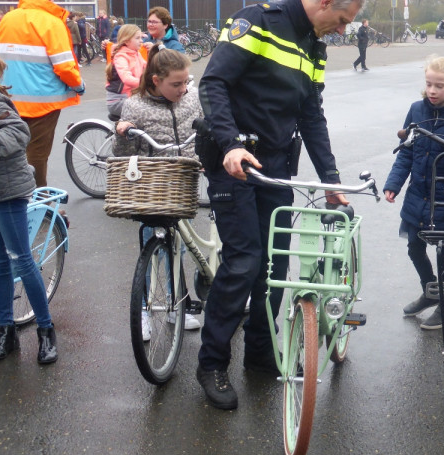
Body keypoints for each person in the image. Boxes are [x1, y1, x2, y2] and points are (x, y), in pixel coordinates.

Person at [197, 0, 362, 410]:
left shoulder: (314, 45)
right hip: (232, 160)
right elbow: (213, 83)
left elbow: (312, 115)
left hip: (275, 164)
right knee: (244, 261)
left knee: (274, 265)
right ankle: (212, 363)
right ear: (323, 3)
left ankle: (260, 353)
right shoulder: (258, 21)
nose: (342, 30)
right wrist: (230, 144)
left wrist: (330, 180)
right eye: (341, 20)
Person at [383, 56, 444, 329]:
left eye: (439, 85)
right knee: (415, 247)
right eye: (429, 84)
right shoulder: (416, 110)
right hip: (418, 195)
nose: (432, 90)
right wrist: (394, 183)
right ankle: (431, 291)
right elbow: (406, 151)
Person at [112, 44, 203, 337]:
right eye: (176, 84)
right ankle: (145, 310)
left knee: (179, 247)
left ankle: (178, 305)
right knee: (152, 245)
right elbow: (123, 153)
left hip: (183, 180)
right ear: (156, 81)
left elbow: (203, 131)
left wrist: (204, 158)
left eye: (185, 82)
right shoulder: (135, 105)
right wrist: (123, 132)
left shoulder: (191, 99)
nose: (183, 89)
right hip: (152, 185)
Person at [0, 34, 58, 365]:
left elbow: (18, 135)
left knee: (21, 259)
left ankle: (46, 331)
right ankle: (6, 331)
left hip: (9, 188)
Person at [0, 0, 84, 188]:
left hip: (8, 100)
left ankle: (11, 196)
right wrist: (78, 85)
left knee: (9, 153)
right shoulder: (51, 22)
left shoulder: (8, 19)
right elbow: (64, 67)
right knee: (37, 157)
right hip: (43, 103)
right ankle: (39, 206)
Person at [105, 24, 146, 120]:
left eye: (141, 37)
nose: (141, 40)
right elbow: (126, 78)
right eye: (137, 38)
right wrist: (145, 83)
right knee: (148, 111)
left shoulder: (136, 53)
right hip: (118, 101)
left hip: (130, 97)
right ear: (127, 41)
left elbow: (148, 67)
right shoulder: (121, 56)